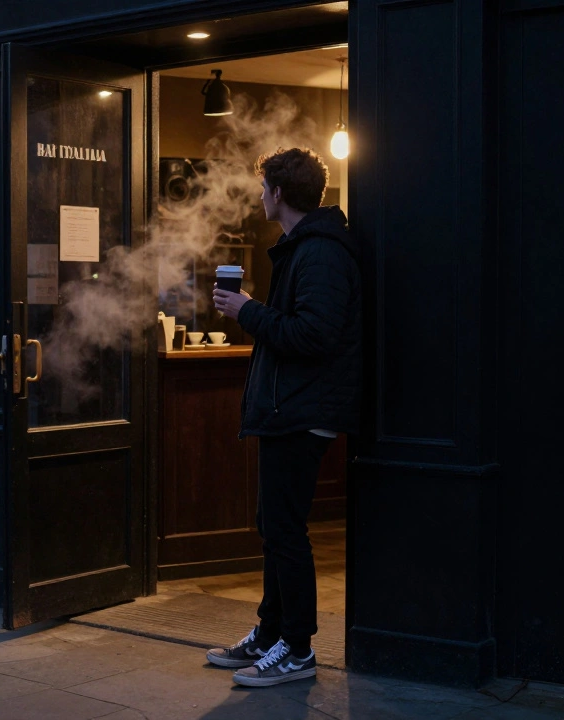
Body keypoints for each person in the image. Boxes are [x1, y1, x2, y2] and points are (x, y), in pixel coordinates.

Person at [207, 147, 362, 688]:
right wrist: (253, 310)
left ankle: (297, 650)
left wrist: (247, 311)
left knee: (285, 532)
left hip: (302, 410)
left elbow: (314, 335)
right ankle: (270, 635)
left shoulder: (319, 253)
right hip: (289, 408)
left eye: (262, 188)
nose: (259, 197)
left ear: (277, 193)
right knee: (274, 529)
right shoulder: (305, 247)